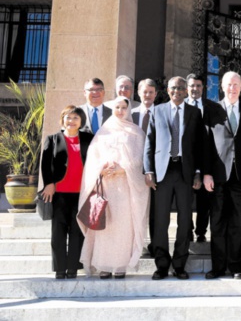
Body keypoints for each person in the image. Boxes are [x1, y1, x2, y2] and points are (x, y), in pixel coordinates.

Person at [77, 97, 149, 279]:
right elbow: (93, 158)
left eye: (124, 107)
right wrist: (102, 168)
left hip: (126, 188)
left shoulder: (137, 133)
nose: (120, 110)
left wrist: (122, 168)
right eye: (117, 107)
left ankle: (120, 265)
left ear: (128, 109)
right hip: (106, 188)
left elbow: (140, 160)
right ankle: (104, 265)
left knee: (123, 226)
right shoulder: (103, 132)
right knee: (106, 226)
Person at [144, 76, 204, 280]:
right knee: (160, 220)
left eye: (180, 88)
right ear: (167, 91)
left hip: (185, 172)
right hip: (162, 172)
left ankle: (179, 264)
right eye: (173, 88)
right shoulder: (157, 110)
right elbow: (149, 143)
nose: (176, 91)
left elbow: (199, 146)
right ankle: (161, 264)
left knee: (185, 221)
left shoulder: (195, 113)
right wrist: (148, 170)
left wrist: (198, 172)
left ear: (186, 91)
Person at [203, 72, 241, 280]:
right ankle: (217, 267)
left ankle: (236, 266)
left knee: (238, 223)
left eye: (236, 84)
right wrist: (206, 173)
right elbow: (206, 142)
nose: (232, 88)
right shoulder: (211, 109)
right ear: (222, 87)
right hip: (217, 176)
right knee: (217, 222)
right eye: (229, 84)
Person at [40, 105, 94, 279]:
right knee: (58, 231)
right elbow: (46, 164)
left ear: (81, 121)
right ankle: (60, 268)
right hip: (60, 193)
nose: (71, 121)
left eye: (75, 118)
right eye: (68, 117)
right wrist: (48, 183)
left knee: (77, 232)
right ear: (62, 120)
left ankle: (73, 268)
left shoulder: (88, 139)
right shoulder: (53, 139)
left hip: (82, 193)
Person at [184, 73, 221, 244]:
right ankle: (188, 230)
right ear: (187, 87)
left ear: (203, 88)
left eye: (198, 86)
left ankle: (201, 232)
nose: (195, 89)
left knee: (204, 202)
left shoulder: (213, 107)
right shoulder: (180, 106)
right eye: (192, 86)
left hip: (207, 161)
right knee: (186, 199)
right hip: (186, 162)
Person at [131, 79, 158, 257]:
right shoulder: (130, 115)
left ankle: (155, 245)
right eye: (144, 91)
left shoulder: (162, 112)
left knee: (156, 210)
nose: (147, 95)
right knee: (135, 208)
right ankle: (134, 245)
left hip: (156, 170)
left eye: (151, 92)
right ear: (138, 93)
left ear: (156, 94)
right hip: (133, 169)